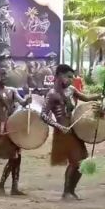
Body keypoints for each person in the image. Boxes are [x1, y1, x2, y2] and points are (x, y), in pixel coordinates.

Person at [40, 64, 101, 200]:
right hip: (63, 132)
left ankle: (71, 191)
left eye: (72, 78)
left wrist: (99, 95)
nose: (70, 80)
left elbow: (86, 98)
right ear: (59, 76)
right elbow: (43, 115)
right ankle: (67, 192)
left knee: (82, 159)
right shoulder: (51, 94)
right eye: (68, 77)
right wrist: (59, 127)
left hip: (74, 129)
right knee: (75, 160)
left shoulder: (71, 90)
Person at [0, 64, 31, 195]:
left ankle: (13, 187)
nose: (5, 76)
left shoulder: (12, 90)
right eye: (2, 74)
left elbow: (23, 103)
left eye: (5, 74)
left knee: (17, 157)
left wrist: (27, 99)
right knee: (14, 157)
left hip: (15, 127)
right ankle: (3, 185)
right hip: (4, 128)